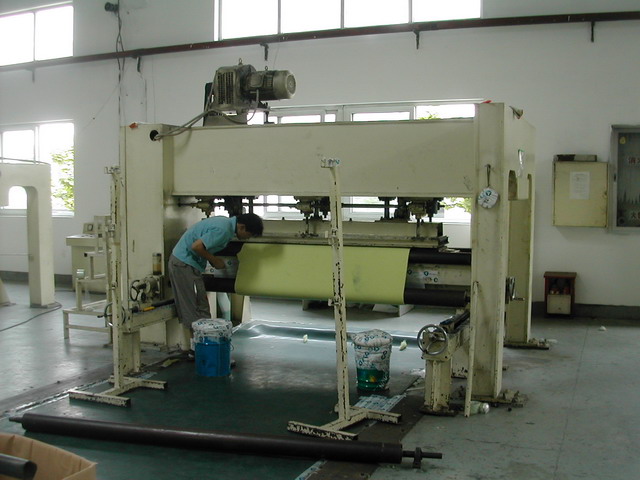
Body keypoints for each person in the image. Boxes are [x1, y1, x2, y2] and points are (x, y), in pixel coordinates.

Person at [168, 213, 263, 353]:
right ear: (242, 227)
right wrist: (214, 260)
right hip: (183, 264)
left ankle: (204, 345)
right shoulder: (224, 230)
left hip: (190, 264)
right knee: (192, 307)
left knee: (202, 307)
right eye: (249, 235)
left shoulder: (225, 225)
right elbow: (197, 246)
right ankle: (196, 349)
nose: (248, 238)